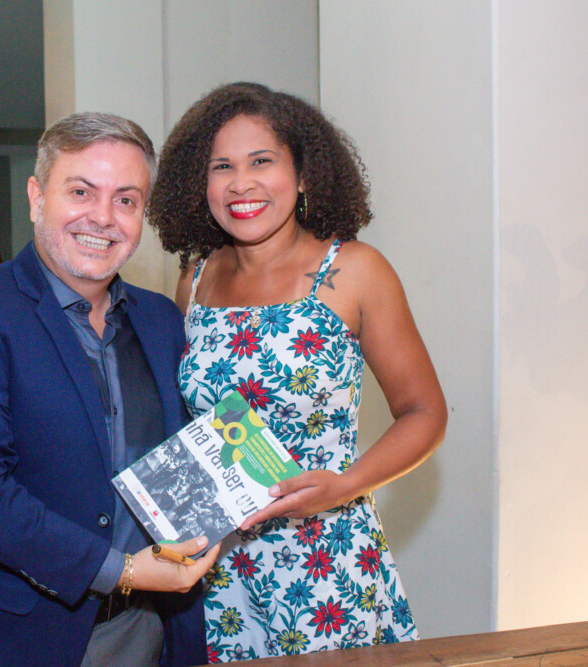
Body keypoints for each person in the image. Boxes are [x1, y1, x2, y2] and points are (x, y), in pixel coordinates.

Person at [0, 112, 221, 667]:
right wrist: (123, 571)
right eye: (81, 191)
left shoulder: (161, 320)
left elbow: (179, 463)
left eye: (126, 200)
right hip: (2, 639)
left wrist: (229, 503)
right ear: (37, 198)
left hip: (145, 629)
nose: (103, 217)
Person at [147, 82, 447, 661]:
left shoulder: (356, 271)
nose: (241, 183)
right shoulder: (195, 278)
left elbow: (425, 412)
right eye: (222, 167)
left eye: (262, 161)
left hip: (325, 560)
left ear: (305, 175)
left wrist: (347, 485)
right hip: (217, 570)